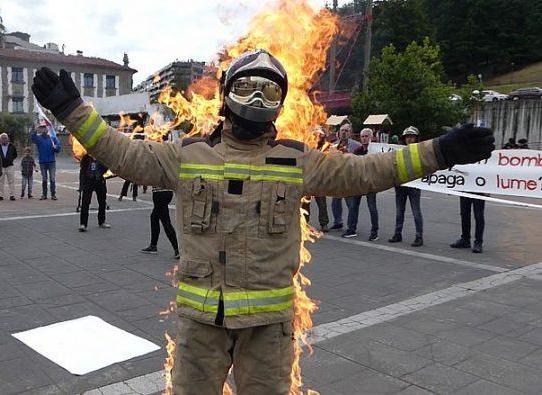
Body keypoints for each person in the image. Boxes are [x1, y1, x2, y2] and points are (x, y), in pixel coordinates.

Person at [32, 50, 493, 393]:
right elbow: (126, 154)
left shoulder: (296, 161)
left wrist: (438, 151)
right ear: (226, 97)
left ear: (280, 104)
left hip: (267, 329)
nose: (256, 99)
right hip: (200, 324)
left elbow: (366, 171)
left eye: (268, 91)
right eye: (246, 88)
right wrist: (74, 112)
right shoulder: (188, 156)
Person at [388, 126, 424, 247]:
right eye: (407, 136)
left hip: (414, 185)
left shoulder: (420, 150)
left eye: (412, 136)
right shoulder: (398, 150)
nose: (409, 139)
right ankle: (397, 233)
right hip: (401, 184)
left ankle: (419, 236)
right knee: (399, 211)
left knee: (416, 212)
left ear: (416, 138)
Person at [343, 128, 379, 240]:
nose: (364, 138)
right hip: (359, 183)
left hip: (371, 183)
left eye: (366, 136)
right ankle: (351, 229)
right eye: (362, 136)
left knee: (372, 207)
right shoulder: (358, 151)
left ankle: (374, 232)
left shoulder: (376, 151)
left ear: (372, 138)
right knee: (353, 206)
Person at [329, 123, 360, 230]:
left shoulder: (357, 145)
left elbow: (360, 161)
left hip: (350, 178)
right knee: (335, 202)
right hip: (337, 177)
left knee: (351, 203)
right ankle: (338, 222)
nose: (344, 132)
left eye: (346, 131)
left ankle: (351, 226)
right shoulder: (333, 145)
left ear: (350, 133)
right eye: (342, 130)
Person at [78, 153, 110, 232]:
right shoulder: (86, 158)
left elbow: (106, 168)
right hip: (88, 181)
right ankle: (83, 224)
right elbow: (82, 171)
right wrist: (81, 185)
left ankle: (101, 221)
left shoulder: (101, 157)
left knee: (102, 202)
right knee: (85, 202)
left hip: (99, 180)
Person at [31, 124, 61, 200]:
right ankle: (44, 195)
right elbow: (32, 137)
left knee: (52, 178)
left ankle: (53, 195)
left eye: (45, 128)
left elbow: (59, 148)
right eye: (42, 128)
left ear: (47, 129)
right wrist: (35, 129)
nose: (44, 129)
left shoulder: (53, 138)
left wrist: (56, 147)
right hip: (43, 162)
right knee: (44, 178)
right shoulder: (39, 139)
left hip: (51, 161)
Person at [0, 133, 18, 201]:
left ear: (8, 139)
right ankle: (0, 195)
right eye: (2, 138)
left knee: (11, 181)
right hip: (0, 166)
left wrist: (10, 159)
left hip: (10, 166)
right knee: (0, 181)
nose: (4, 139)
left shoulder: (12, 146)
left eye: (5, 138)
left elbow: (15, 155)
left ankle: (12, 195)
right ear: (0, 139)